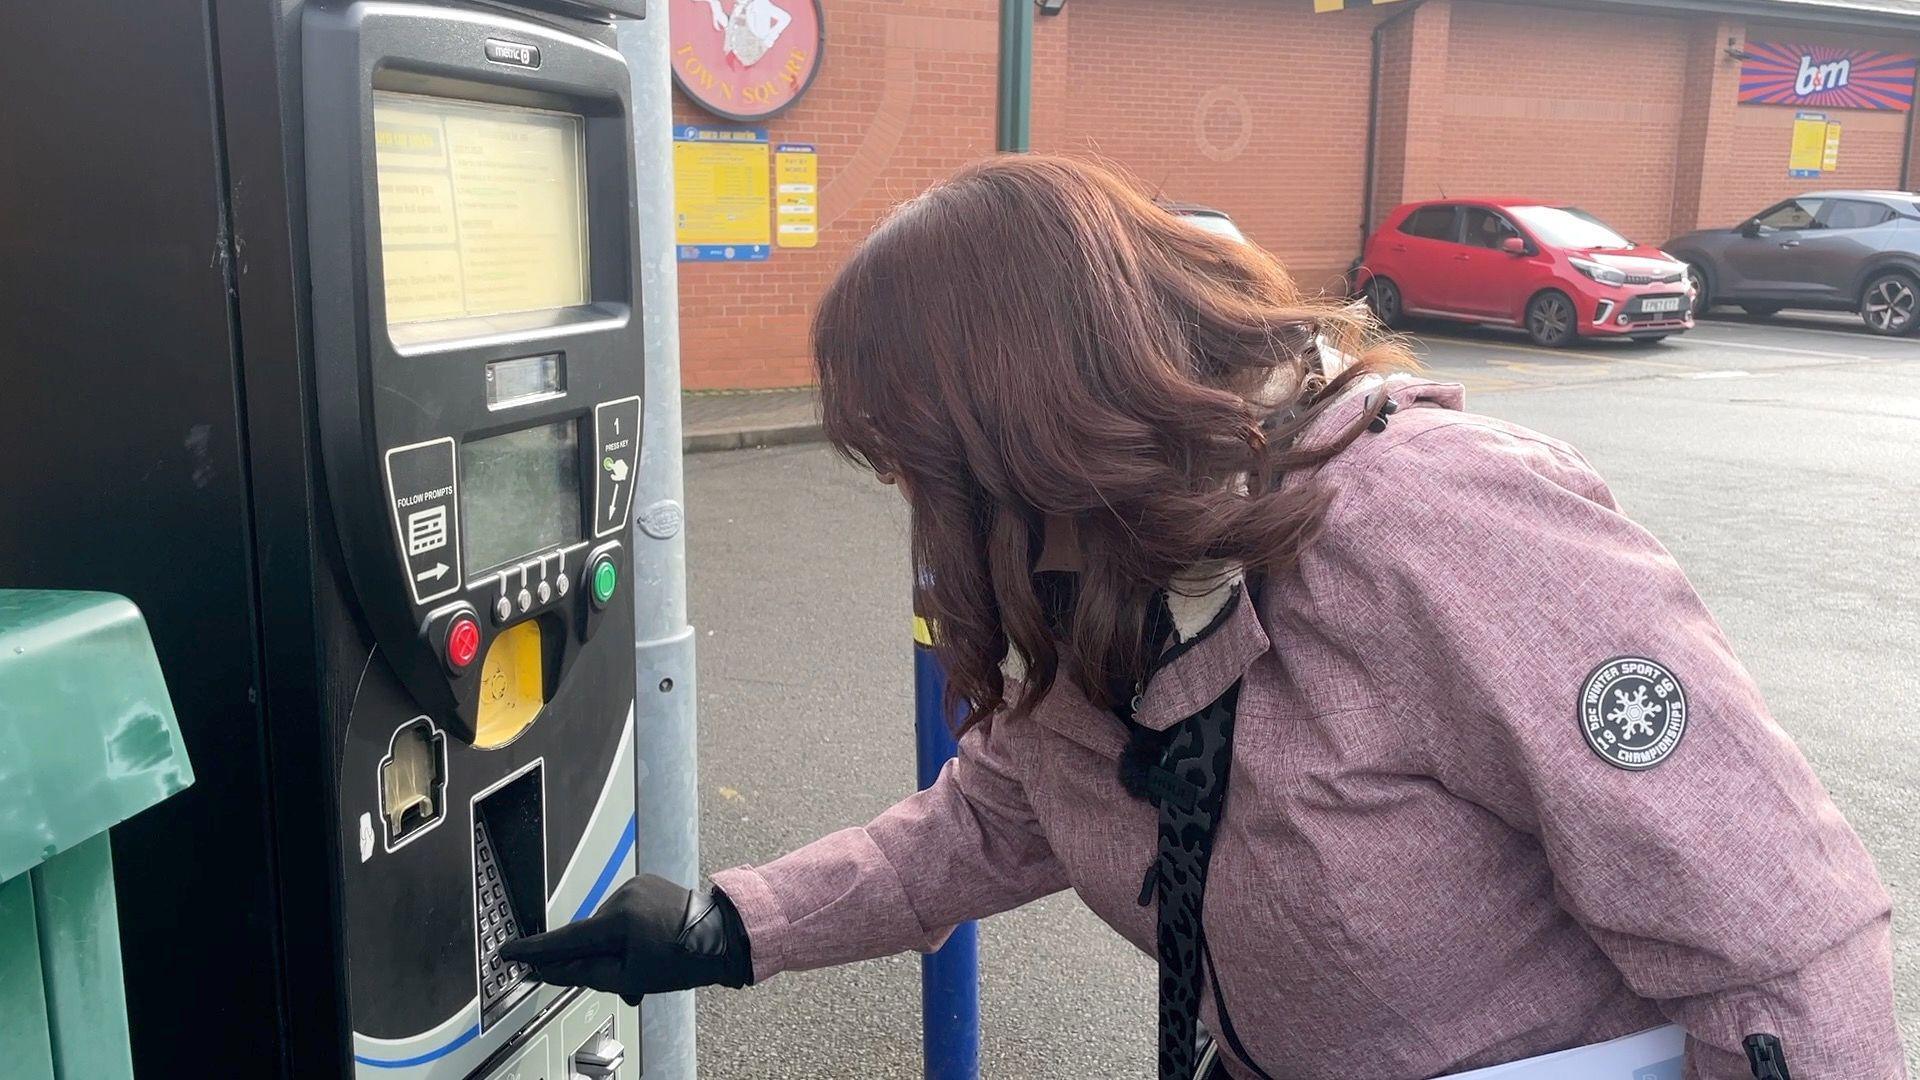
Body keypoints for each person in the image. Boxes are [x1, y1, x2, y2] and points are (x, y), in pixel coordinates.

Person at [501, 156, 1905, 1078]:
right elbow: (1002, 815)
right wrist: (726, 930)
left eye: (929, 462)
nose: (920, 507)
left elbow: (1763, 916)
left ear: (1038, 416)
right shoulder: (1098, 553)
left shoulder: (1433, 520)